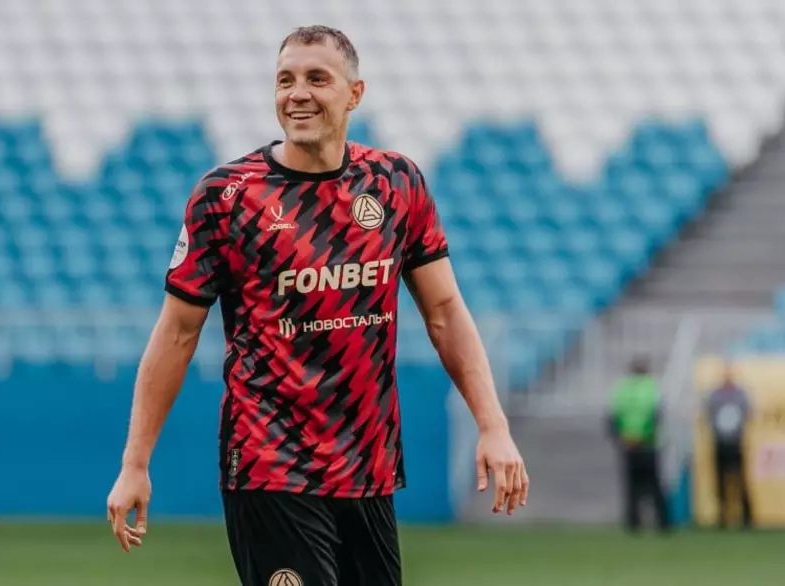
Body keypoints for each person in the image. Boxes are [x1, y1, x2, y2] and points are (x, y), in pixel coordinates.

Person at [106, 25, 528, 586]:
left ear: (354, 94)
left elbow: (445, 311)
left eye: (316, 79)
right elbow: (177, 333)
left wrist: (492, 425)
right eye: (285, 80)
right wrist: (135, 463)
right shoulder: (227, 197)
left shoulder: (396, 184)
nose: (297, 93)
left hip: (367, 466)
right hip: (270, 459)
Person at [607, 356, 670, 533]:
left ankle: (634, 523)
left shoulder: (622, 389)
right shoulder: (652, 388)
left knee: (632, 486)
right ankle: (663, 523)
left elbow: (613, 417)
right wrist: (643, 436)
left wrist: (621, 438)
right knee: (654, 485)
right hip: (648, 443)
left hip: (629, 444)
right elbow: (656, 416)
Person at [705, 362, 753, 529]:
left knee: (740, 480)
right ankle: (723, 515)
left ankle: (746, 517)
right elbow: (708, 414)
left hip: (735, 442)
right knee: (720, 481)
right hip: (720, 441)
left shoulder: (740, 394)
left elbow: (748, 413)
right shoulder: (715, 395)